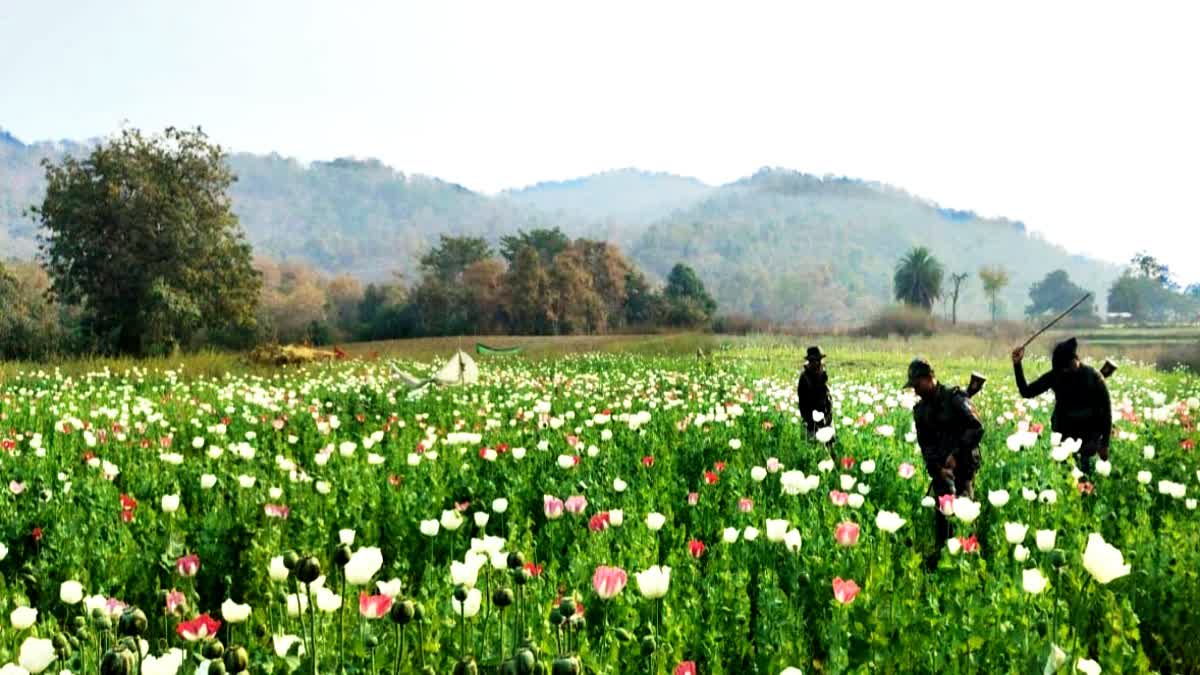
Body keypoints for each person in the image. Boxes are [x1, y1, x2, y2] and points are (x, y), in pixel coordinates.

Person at [906, 358, 985, 570]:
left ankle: (969, 563)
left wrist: (957, 454)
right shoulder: (920, 411)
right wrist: (938, 468)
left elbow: (976, 427)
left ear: (930, 378)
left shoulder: (955, 398)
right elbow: (926, 446)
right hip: (941, 471)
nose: (915, 390)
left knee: (964, 515)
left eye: (917, 385)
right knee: (943, 521)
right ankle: (944, 562)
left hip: (964, 468)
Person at [1012, 337, 1112, 474]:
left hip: (1089, 439)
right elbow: (1027, 392)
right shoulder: (1057, 374)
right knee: (1065, 476)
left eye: (1065, 369)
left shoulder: (1093, 376)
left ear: (1074, 361)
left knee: (1085, 478)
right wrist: (1017, 365)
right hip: (1064, 436)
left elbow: (1106, 411)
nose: (1063, 372)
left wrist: (1105, 444)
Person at [797, 346, 834, 452]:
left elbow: (827, 398)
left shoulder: (822, 375)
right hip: (811, 423)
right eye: (814, 361)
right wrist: (812, 422)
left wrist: (828, 417)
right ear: (809, 362)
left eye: (819, 360)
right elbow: (803, 405)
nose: (817, 363)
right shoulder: (805, 378)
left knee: (829, 450)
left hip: (826, 419)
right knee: (812, 450)